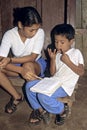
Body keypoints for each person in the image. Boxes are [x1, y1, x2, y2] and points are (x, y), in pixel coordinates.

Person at [25, 23, 84, 125]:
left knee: (43, 96)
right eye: (56, 42)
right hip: (53, 81)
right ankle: (41, 111)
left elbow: (81, 72)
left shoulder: (76, 52)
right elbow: (53, 73)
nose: (58, 45)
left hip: (64, 86)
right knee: (29, 86)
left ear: (71, 41)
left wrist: (68, 62)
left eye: (62, 42)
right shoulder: (57, 55)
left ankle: (62, 110)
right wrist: (52, 59)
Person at [0, 6, 46, 114]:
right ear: (20, 25)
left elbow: (32, 57)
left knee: (28, 66)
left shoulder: (40, 33)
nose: (34, 33)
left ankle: (38, 108)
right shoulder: (9, 35)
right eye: (31, 30)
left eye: (36, 29)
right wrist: (20, 70)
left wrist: (10, 60)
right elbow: (1, 58)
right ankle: (17, 97)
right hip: (18, 66)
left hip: (36, 64)